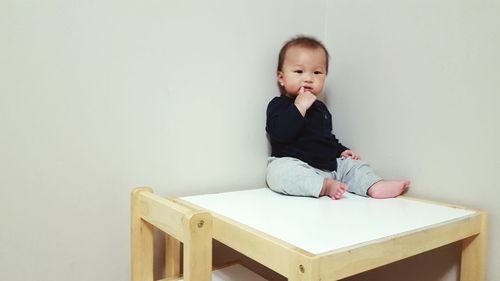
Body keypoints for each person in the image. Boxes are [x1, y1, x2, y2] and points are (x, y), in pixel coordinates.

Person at [266, 35, 410, 199]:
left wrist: (342, 151)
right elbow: (279, 133)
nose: (308, 78)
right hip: (297, 165)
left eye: (317, 72)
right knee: (278, 172)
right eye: (299, 71)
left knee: (353, 166)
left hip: (330, 166)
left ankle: (373, 184)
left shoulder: (320, 109)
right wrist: (299, 107)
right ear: (281, 78)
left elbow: (327, 138)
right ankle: (324, 186)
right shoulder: (280, 105)